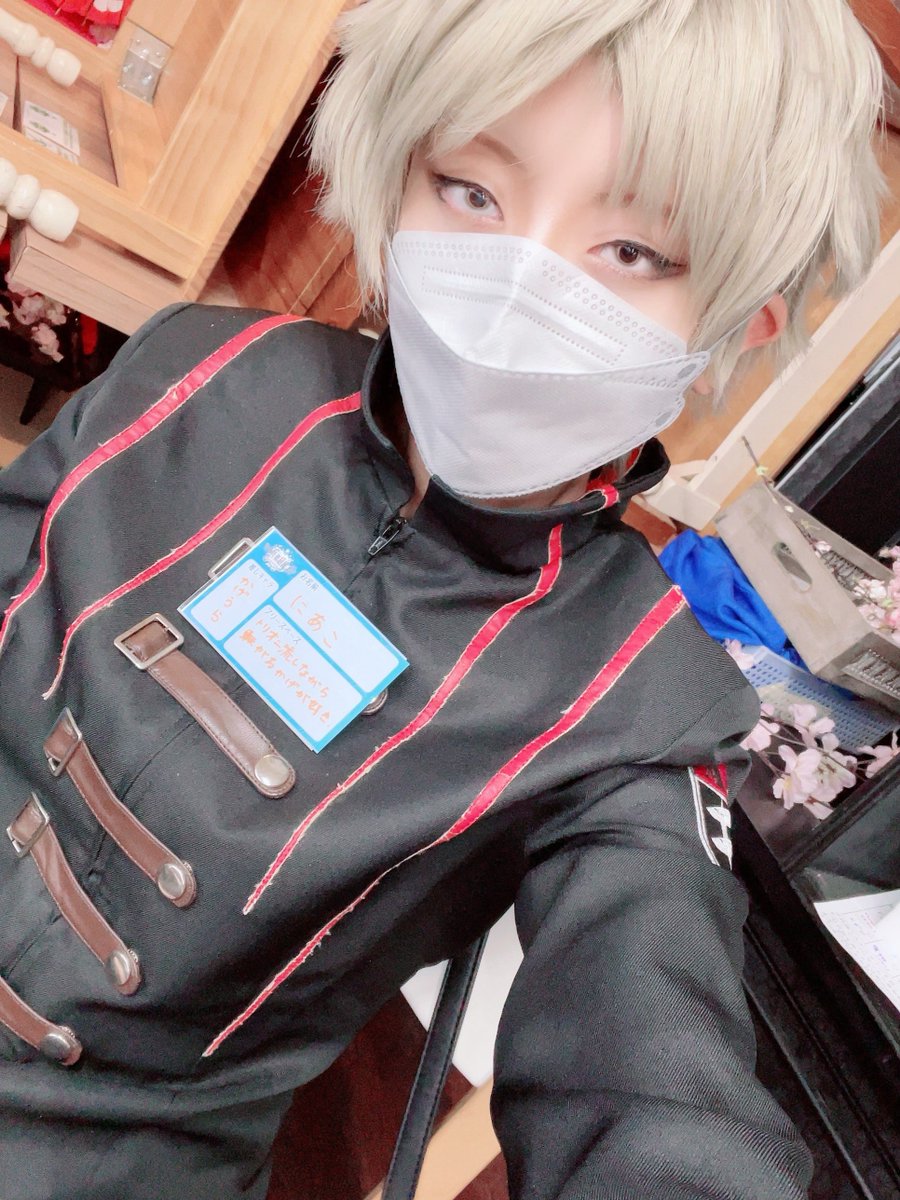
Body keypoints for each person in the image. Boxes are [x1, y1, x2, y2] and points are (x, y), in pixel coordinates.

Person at [0, 1, 887, 1197]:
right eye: (472, 191)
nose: (520, 288)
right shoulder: (204, 367)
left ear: (741, 318)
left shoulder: (639, 707)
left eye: (633, 253)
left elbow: (652, 1073)